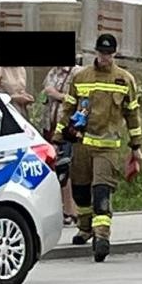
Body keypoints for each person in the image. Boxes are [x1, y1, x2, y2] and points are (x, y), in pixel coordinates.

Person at [53, 33, 142, 263]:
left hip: (107, 147)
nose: (105, 57)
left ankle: (102, 237)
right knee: (81, 192)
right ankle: (85, 228)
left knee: (101, 191)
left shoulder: (124, 79)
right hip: (81, 144)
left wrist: (136, 146)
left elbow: (132, 115)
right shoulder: (81, 77)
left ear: (115, 53)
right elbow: (68, 110)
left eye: (109, 54)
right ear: (96, 52)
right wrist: (58, 137)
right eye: (102, 53)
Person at [40, 58, 80, 225]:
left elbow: (79, 99)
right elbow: (44, 93)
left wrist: (57, 95)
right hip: (50, 126)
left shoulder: (77, 73)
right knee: (54, 169)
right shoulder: (52, 72)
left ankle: (71, 210)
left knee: (66, 169)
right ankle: (58, 208)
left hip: (67, 128)